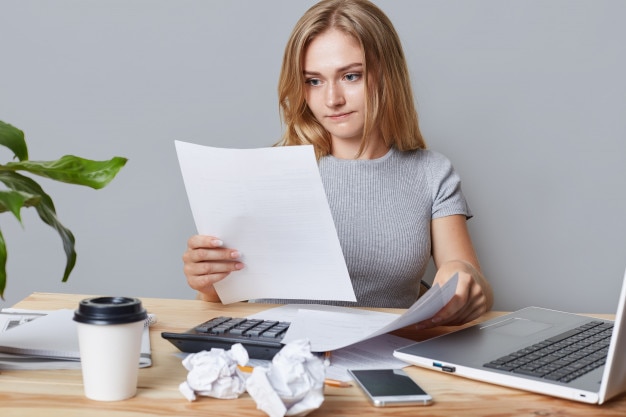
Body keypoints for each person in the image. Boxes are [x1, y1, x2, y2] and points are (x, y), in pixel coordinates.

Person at [183, 0, 493, 330]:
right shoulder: (268, 173)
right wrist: (207, 281)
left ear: (386, 76)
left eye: (350, 76)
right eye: (314, 81)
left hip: (382, 356)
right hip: (279, 357)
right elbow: (227, 298)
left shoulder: (431, 173)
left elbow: (477, 287)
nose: (332, 99)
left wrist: (463, 277)